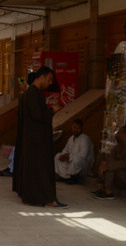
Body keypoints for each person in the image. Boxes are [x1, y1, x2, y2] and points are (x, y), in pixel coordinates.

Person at [12, 66, 64, 207]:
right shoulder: (33, 94)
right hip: (37, 140)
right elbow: (37, 115)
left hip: (33, 138)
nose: (49, 83)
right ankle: (46, 199)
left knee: (36, 170)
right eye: (49, 80)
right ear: (41, 77)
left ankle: (41, 197)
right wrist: (52, 110)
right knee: (41, 170)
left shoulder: (31, 93)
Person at [92, 125, 126, 199]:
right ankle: (102, 188)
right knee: (102, 158)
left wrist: (107, 166)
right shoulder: (119, 145)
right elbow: (111, 155)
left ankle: (108, 192)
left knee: (109, 169)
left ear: (124, 135)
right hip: (117, 170)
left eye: (119, 132)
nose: (116, 134)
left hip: (124, 177)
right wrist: (104, 162)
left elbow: (124, 164)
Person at [54, 119, 94, 183]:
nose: (76, 130)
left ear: (81, 128)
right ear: (72, 128)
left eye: (78, 128)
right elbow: (65, 150)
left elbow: (84, 155)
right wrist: (63, 155)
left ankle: (74, 178)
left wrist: (69, 156)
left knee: (77, 159)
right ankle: (64, 177)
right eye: (74, 128)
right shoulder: (71, 138)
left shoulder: (85, 139)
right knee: (57, 156)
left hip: (83, 164)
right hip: (71, 160)